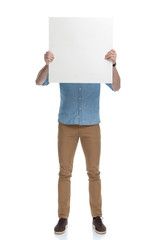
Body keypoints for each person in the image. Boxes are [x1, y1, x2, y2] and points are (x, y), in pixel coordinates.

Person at [35, 49, 121, 235]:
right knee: (65, 172)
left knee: (94, 172)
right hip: (66, 124)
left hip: (91, 124)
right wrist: (48, 64)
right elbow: (39, 81)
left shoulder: (98, 64)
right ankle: (62, 217)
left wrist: (113, 65)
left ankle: (97, 217)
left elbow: (116, 86)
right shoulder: (62, 63)